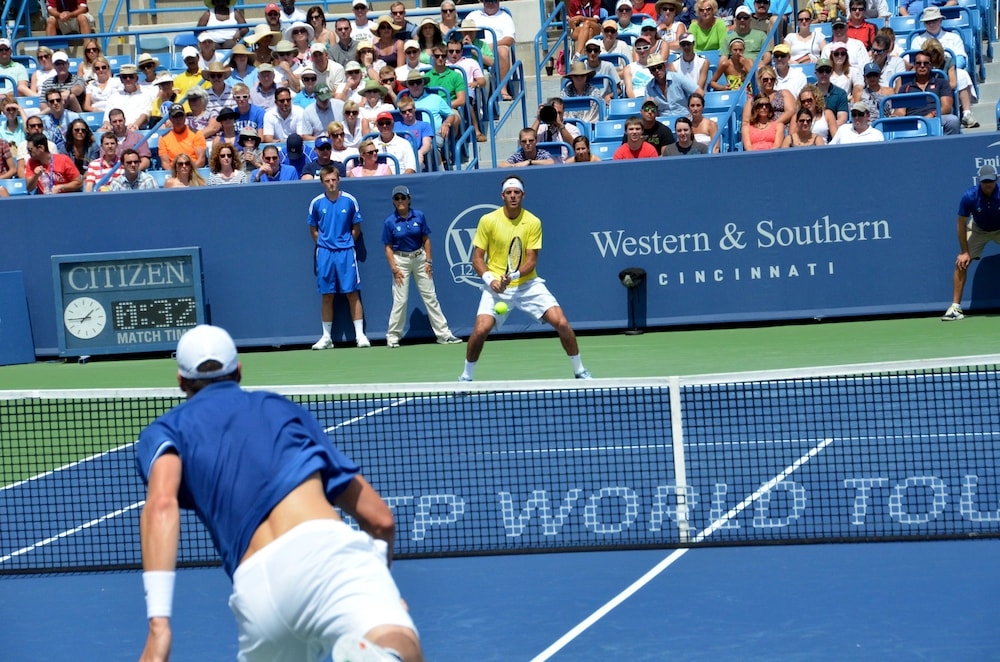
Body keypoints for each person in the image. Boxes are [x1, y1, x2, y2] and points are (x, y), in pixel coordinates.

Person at [136, 324, 421, 661]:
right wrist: (380, 589)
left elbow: (161, 504)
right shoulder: (280, 409)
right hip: (326, 556)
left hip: (258, 590)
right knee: (396, 643)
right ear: (239, 372)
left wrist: (159, 625)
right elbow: (380, 520)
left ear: (181, 381)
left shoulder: (165, 431)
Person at [459, 176, 591, 382]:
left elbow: (531, 260)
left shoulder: (533, 222)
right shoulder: (488, 220)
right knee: (480, 330)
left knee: (562, 323)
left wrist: (512, 276)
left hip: (527, 284)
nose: (513, 196)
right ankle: (466, 377)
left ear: (523, 195)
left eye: (517, 192)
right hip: (496, 286)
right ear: (502, 195)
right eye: (509, 192)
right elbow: (477, 258)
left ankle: (580, 371)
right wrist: (491, 281)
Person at [381, 185, 462, 348]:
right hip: (400, 261)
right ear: (393, 202)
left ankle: (444, 334)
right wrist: (394, 268)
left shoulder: (419, 216)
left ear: (409, 199)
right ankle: (393, 336)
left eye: (403, 197)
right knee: (400, 300)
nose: (400, 201)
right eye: (397, 198)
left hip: (420, 259)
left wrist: (428, 261)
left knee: (430, 297)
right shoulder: (389, 222)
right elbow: (388, 247)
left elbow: (426, 239)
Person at [309, 166, 371, 349]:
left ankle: (360, 335)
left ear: (339, 180)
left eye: (334, 180)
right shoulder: (316, 203)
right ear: (322, 183)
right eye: (327, 181)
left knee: (352, 293)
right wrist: (325, 244)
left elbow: (356, 228)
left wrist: (346, 243)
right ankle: (326, 337)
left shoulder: (350, 200)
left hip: (346, 253)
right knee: (327, 295)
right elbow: (313, 230)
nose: (331, 184)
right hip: (325, 254)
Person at [942, 165, 1000, 321]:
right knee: (961, 263)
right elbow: (961, 223)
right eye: (985, 181)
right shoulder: (970, 196)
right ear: (979, 181)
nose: (988, 184)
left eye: (991, 181)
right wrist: (964, 252)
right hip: (977, 230)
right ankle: (955, 308)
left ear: (996, 180)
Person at [894, 49, 959, 135]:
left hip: (936, 118)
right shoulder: (905, 88)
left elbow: (946, 107)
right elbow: (900, 111)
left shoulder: (941, 83)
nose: (922, 66)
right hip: (913, 122)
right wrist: (895, 116)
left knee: (953, 120)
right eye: (918, 63)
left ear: (931, 65)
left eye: (926, 63)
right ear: (914, 65)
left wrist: (931, 115)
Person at [466, 0, 516, 98]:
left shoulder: (505, 17)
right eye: (487, 0)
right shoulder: (473, 15)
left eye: (493, 0)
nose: (490, 3)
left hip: (494, 49)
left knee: (503, 51)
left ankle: (503, 90)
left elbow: (510, 39)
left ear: (498, 1)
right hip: (474, 47)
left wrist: (491, 45)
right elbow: (463, 31)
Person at [159, 103, 207, 170]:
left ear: (185, 116)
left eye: (180, 116)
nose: (178, 119)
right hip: (174, 173)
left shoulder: (197, 134)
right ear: (170, 118)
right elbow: (165, 163)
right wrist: (176, 174)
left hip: (194, 171)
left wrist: (187, 172)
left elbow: (201, 160)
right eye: (175, 116)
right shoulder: (164, 138)